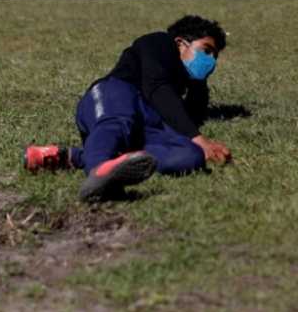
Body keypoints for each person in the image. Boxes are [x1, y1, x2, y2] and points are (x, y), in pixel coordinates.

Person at [23, 15, 232, 201]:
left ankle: (71, 157)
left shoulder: (184, 81)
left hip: (148, 119)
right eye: (206, 51)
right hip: (116, 94)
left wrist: (199, 83)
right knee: (119, 121)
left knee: (190, 155)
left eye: (215, 56)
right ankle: (99, 174)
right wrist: (200, 139)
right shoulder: (158, 42)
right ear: (180, 43)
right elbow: (157, 88)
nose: (211, 60)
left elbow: (189, 116)